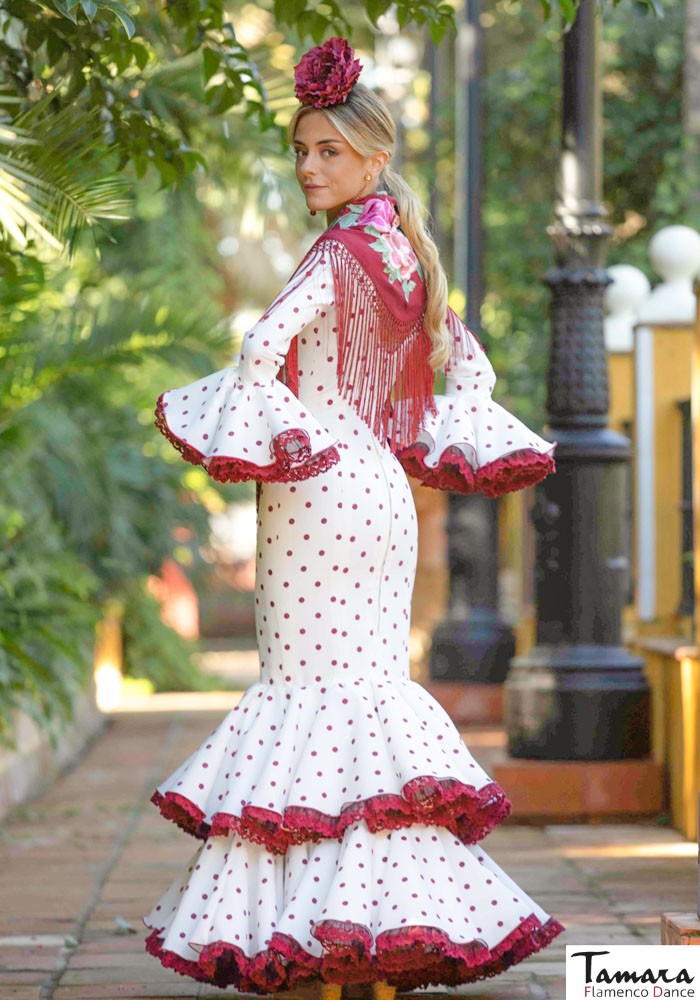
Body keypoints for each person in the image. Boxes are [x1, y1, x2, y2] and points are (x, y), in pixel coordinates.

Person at [144, 35, 564, 999]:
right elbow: (477, 372)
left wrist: (282, 436)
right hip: (380, 494)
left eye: (327, 150)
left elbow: (260, 348)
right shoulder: (409, 255)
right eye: (301, 150)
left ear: (373, 158)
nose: (307, 167)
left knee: (307, 697)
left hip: (317, 490)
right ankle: (379, 933)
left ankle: (323, 937)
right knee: (370, 696)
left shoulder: (337, 252)